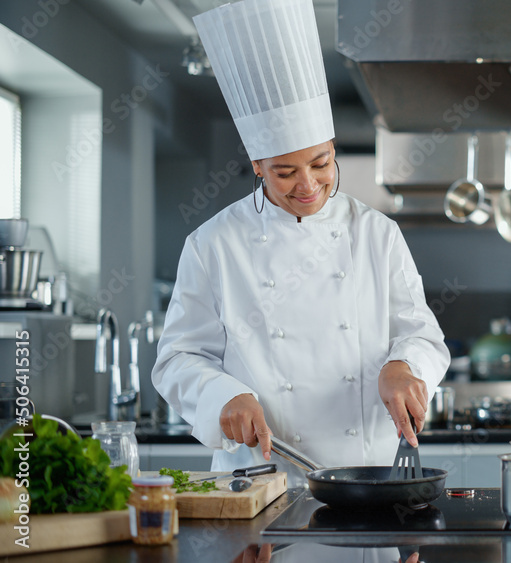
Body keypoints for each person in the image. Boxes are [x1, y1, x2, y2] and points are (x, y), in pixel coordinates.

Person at [152, 0, 449, 476]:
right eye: (285, 172)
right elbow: (177, 358)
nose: (308, 185)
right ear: (257, 167)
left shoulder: (377, 234)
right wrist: (224, 394)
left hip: (365, 475)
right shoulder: (212, 245)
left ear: (333, 151)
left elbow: (422, 334)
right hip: (258, 472)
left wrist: (404, 367)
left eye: (320, 164)